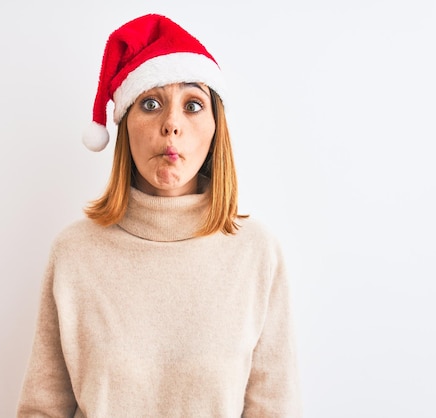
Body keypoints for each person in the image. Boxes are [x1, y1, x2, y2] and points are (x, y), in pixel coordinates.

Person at [16, 13, 302, 418]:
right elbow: (42, 409)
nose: (171, 125)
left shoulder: (257, 253)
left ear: (216, 128)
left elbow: (275, 409)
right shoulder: (75, 252)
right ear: (125, 124)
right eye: (150, 103)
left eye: (193, 105)